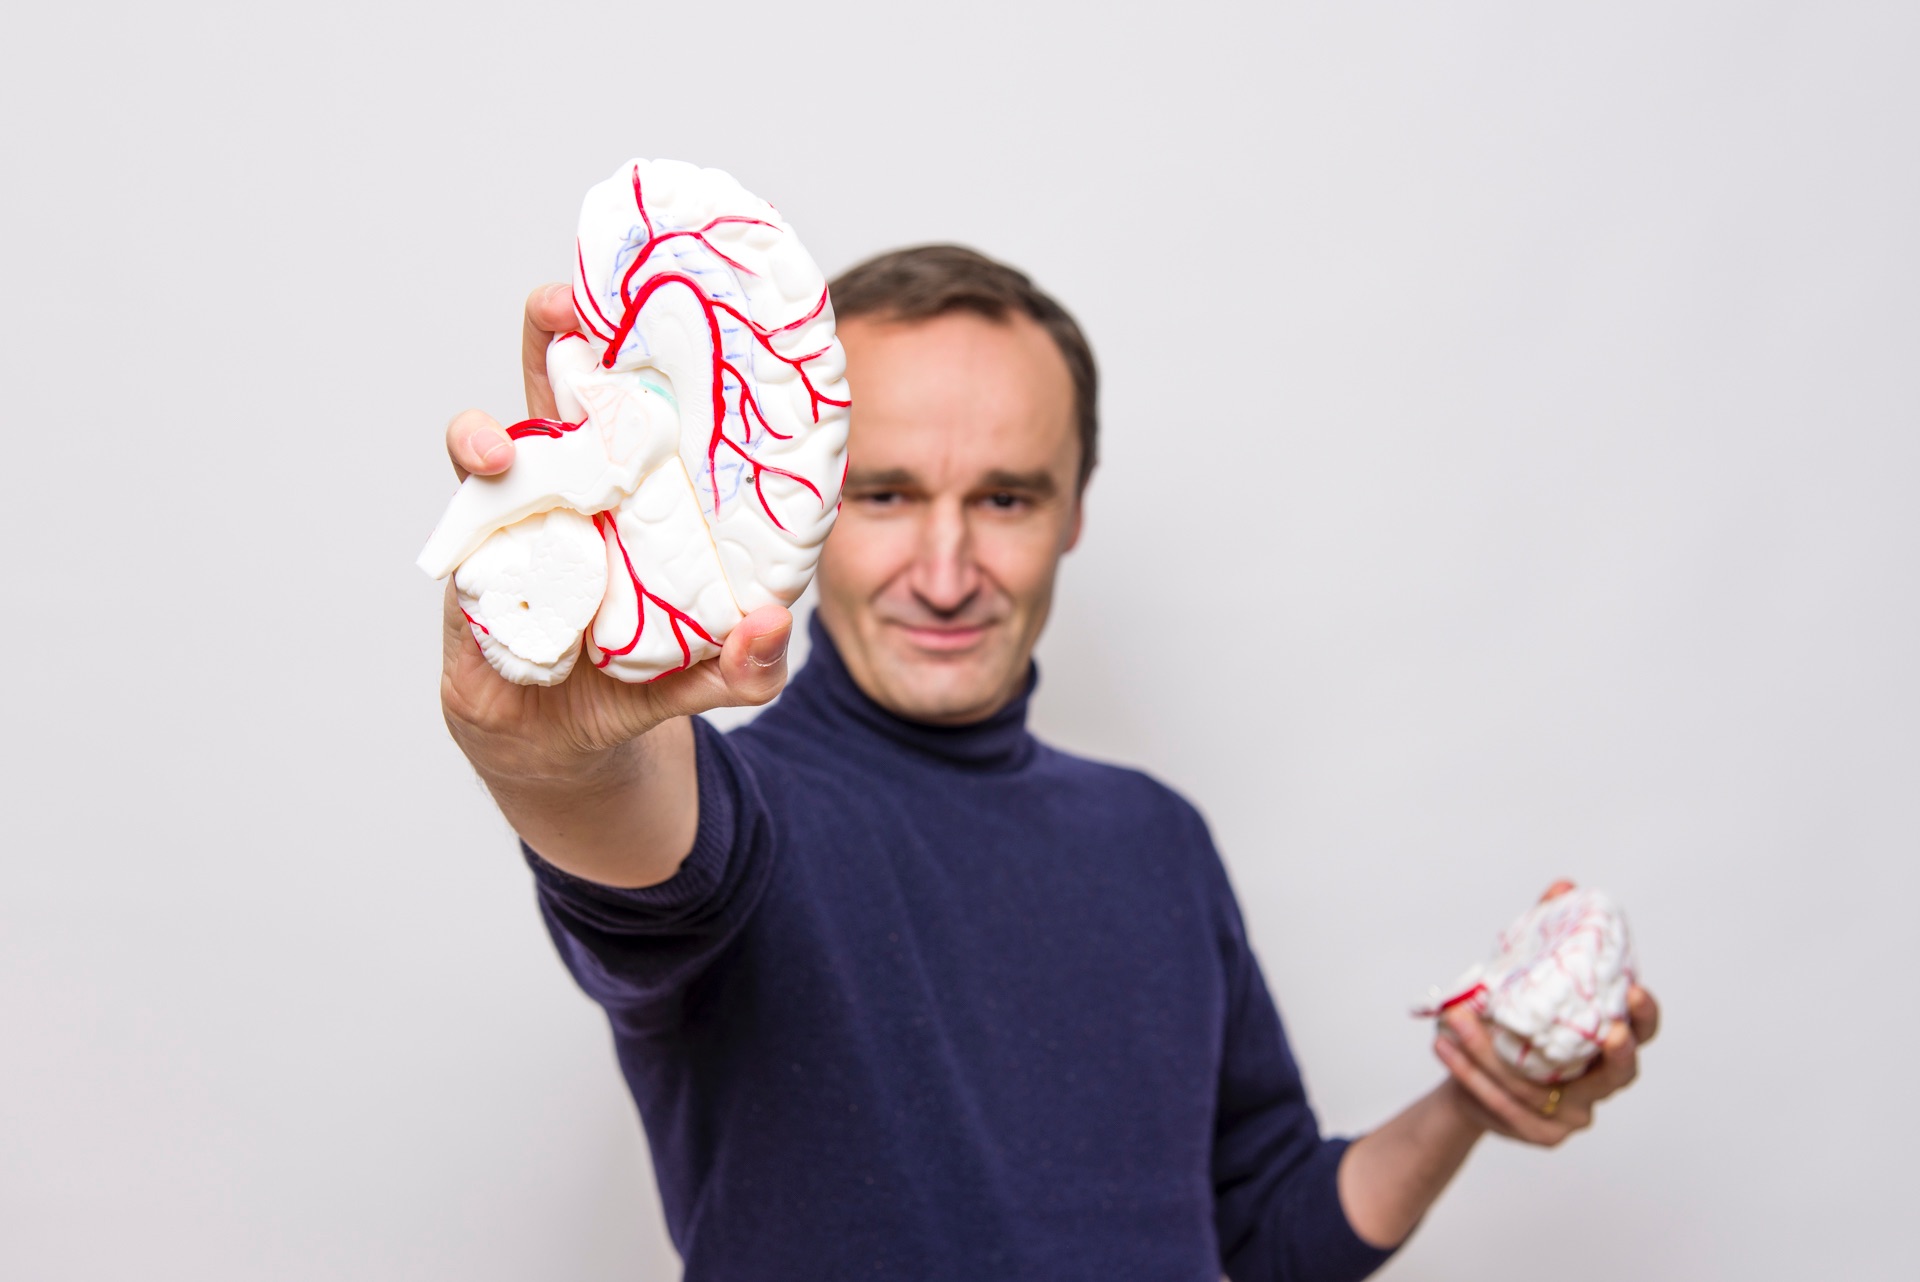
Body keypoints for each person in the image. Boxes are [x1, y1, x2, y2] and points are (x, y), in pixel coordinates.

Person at [436, 245, 1659, 1281]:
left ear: (1074, 508)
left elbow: (1259, 1230)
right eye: (886, 495)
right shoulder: (743, 819)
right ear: (795, 501)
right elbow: (637, 841)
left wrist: (1469, 1102)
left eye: (1007, 499)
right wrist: (543, 757)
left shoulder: (1155, 838)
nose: (947, 571)